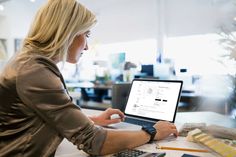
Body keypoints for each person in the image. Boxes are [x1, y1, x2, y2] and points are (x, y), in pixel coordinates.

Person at [0, 0, 178, 156]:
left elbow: (45, 116)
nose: (86, 46)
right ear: (68, 32)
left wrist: (92, 121)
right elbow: (94, 142)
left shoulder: (29, 61)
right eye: (87, 35)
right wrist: (152, 132)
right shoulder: (34, 70)